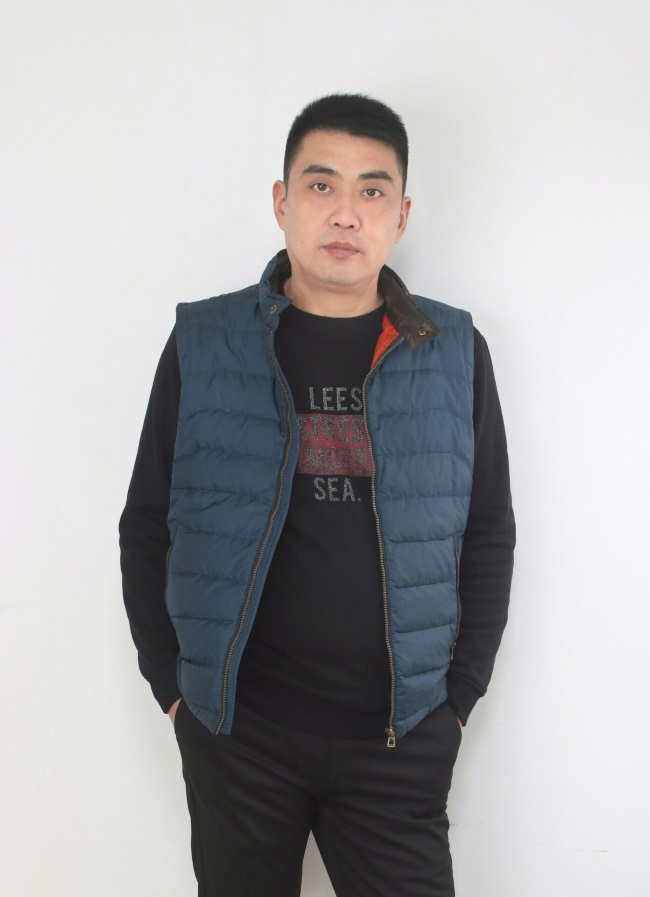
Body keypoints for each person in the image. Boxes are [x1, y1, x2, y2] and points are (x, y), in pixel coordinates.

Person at [119, 93, 515, 897]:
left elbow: (487, 534)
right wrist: (173, 688)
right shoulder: (205, 343)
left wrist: (457, 702)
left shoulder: (454, 353)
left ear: (401, 215)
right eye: (321, 184)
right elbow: (147, 522)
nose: (345, 212)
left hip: (398, 740)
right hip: (240, 736)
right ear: (282, 201)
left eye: (372, 189)